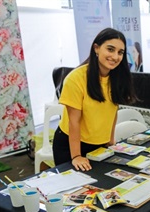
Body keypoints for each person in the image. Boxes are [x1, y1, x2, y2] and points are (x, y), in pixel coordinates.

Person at [52, 28, 138, 171]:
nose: (115, 56)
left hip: (99, 144)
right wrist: (76, 156)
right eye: (110, 49)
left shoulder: (117, 78)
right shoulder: (76, 79)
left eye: (120, 52)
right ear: (96, 48)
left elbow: (113, 110)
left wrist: (110, 140)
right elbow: (74, 121)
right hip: (71, 146)